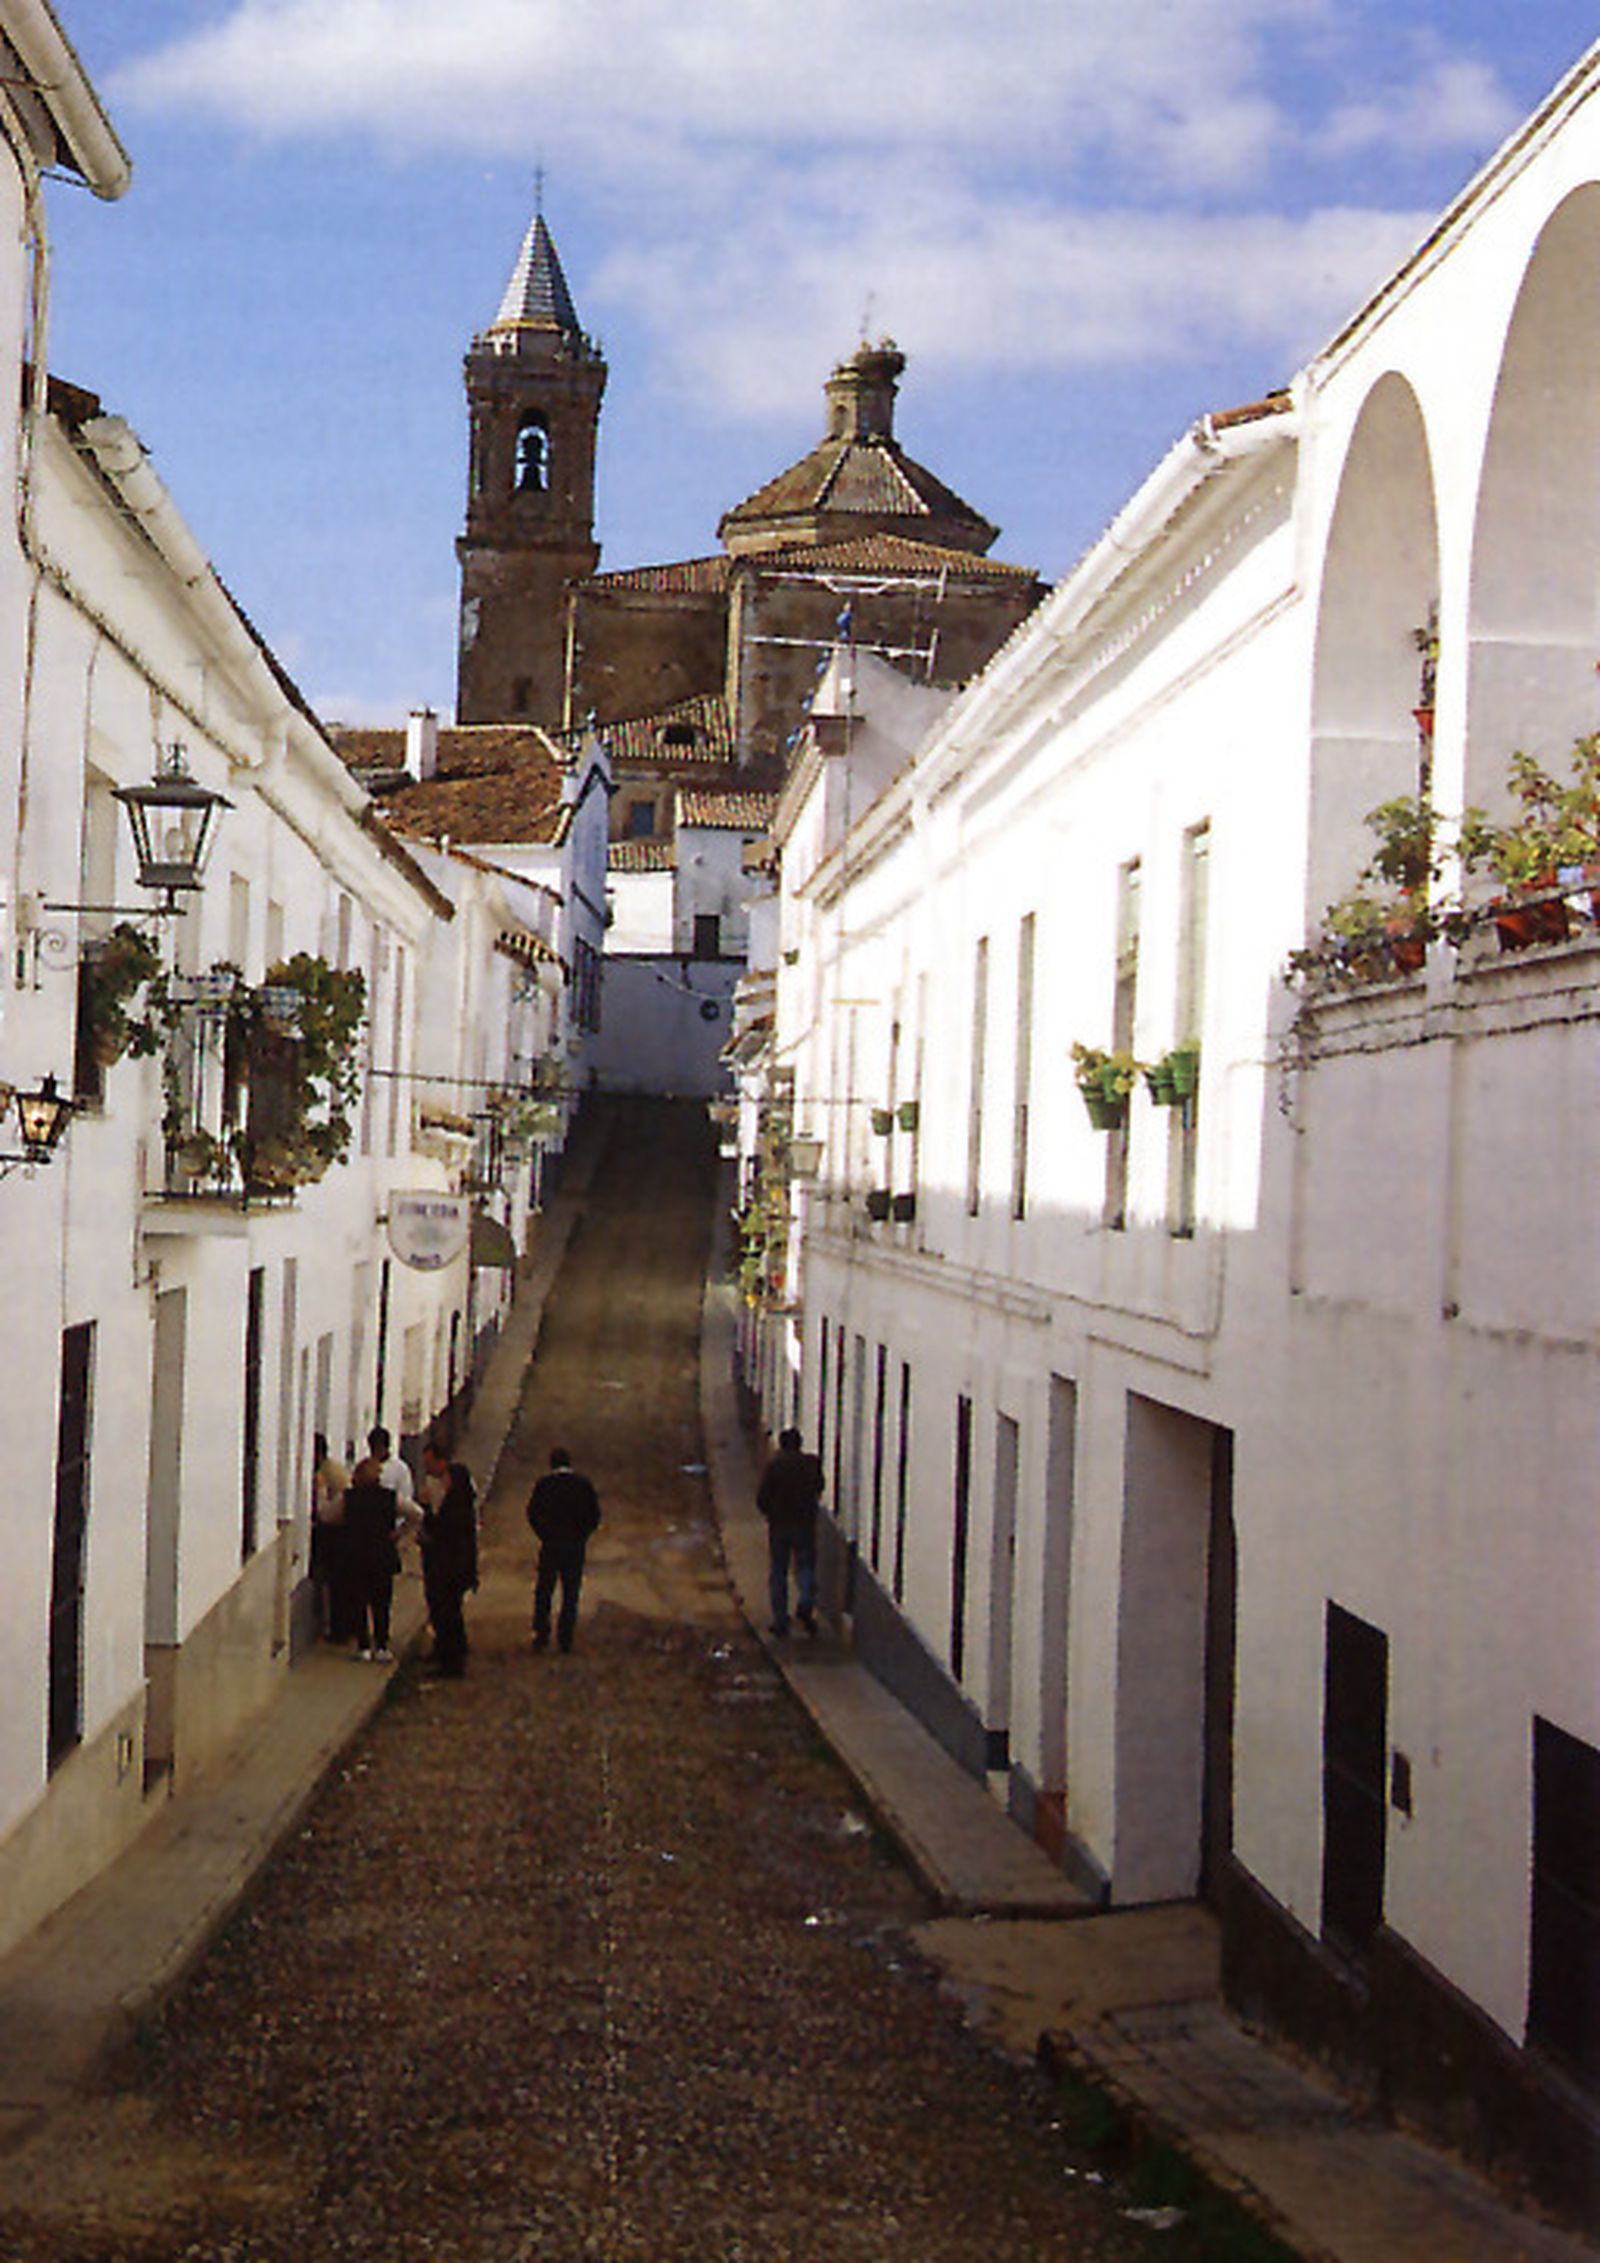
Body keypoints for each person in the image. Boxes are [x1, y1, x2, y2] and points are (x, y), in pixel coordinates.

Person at [526, 1447, 601, 1654]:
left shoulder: (544, 1485)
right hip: (574, 1546)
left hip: (551, 1545)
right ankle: (565, 1638)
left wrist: (544, 1534)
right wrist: (581, 1536)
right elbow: (594, 1516)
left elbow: (532, 1513)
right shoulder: (583, 1485)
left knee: (544, 1590)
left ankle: (541, 1633)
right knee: (570, 1593)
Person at [418, 1437, 477, 1678]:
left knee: (447, 1613)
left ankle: (450, 1662)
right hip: (453, 1564)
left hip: (449, 1566)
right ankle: (449, 1652)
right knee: (448, 1612)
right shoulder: (461, 1503)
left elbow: (441, 1530)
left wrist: (426, 1509)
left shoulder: (456, 1506)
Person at [757, 1426, 824, 1637]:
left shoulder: (774, 1467)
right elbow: (819, 1487)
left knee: (779, 1571)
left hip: (779, 1526)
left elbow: (762, 1498)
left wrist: (770, 1513)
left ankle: (780, 1621)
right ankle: (805, 1601)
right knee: (805, 1567)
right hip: (805, 1524)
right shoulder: (811, 1464)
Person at [342, 1449, 402, 1662]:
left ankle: (363, 1646)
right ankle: (382, 1645)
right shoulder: (390, 1497)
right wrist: (399, 1533)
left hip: (357, 1555)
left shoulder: (349, 1498)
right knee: (381, 1603)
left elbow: (328, 1515)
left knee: (358, 1601)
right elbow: (416, 1513)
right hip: (382, 1555)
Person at [310, 1432, 351, 1643]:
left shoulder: (325, 1474)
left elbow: (325, 1512)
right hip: (343, 1532)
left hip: (335, 1532)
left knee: (333, 1584)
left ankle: (335, 1630)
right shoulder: (334, 1468)